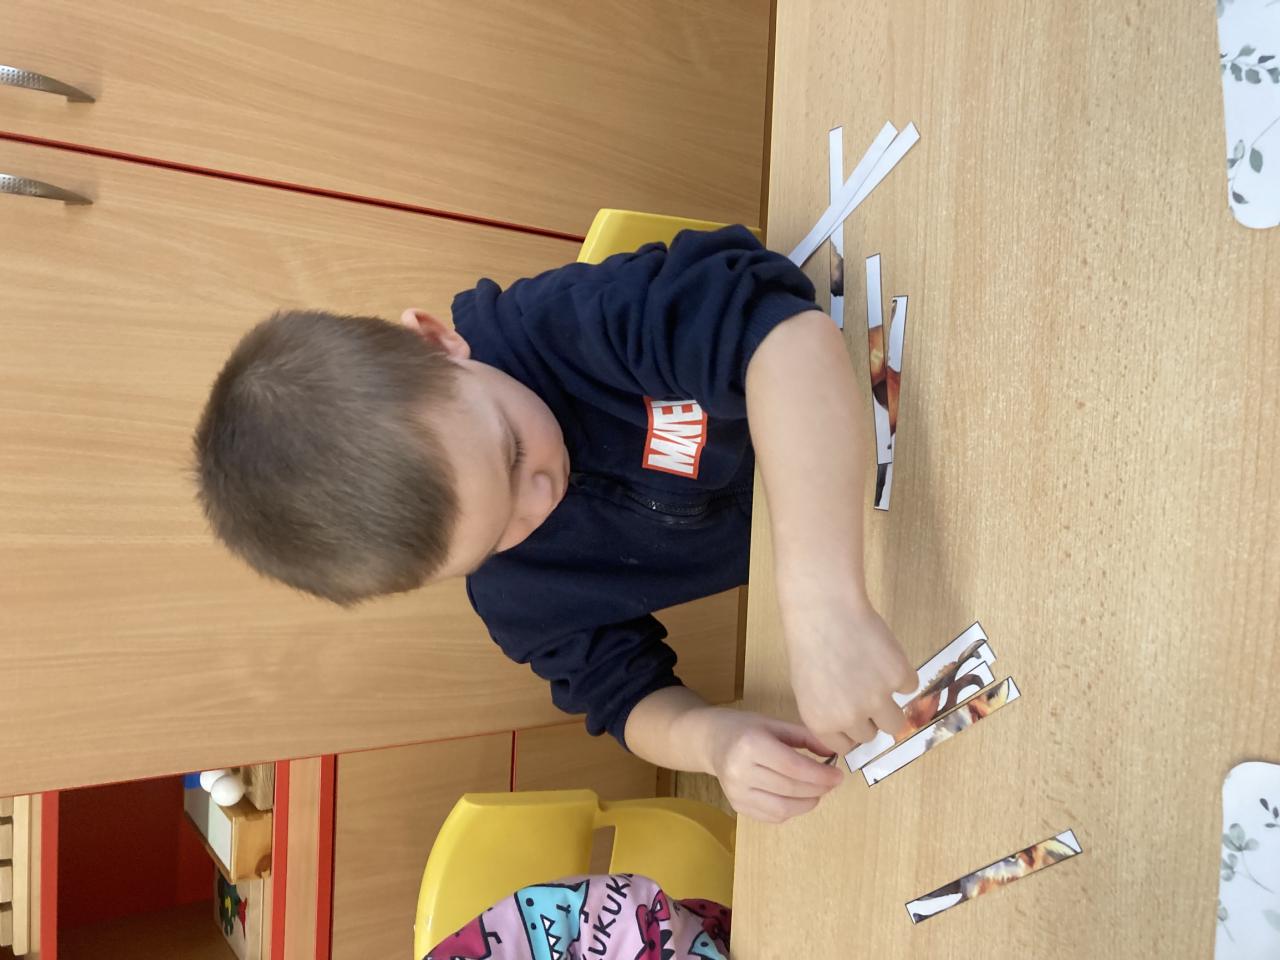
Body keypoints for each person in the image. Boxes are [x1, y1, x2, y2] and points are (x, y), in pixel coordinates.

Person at [194, 226, 914, 822]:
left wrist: (822, 607)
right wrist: (713, 743)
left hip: (891, 379)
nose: (539, 496)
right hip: (890, 535)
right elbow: (623, 697)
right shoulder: (518, 598)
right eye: (498, 536)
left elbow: (781, 334)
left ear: (438, 345)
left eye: (510, 451)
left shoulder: (560, 324)